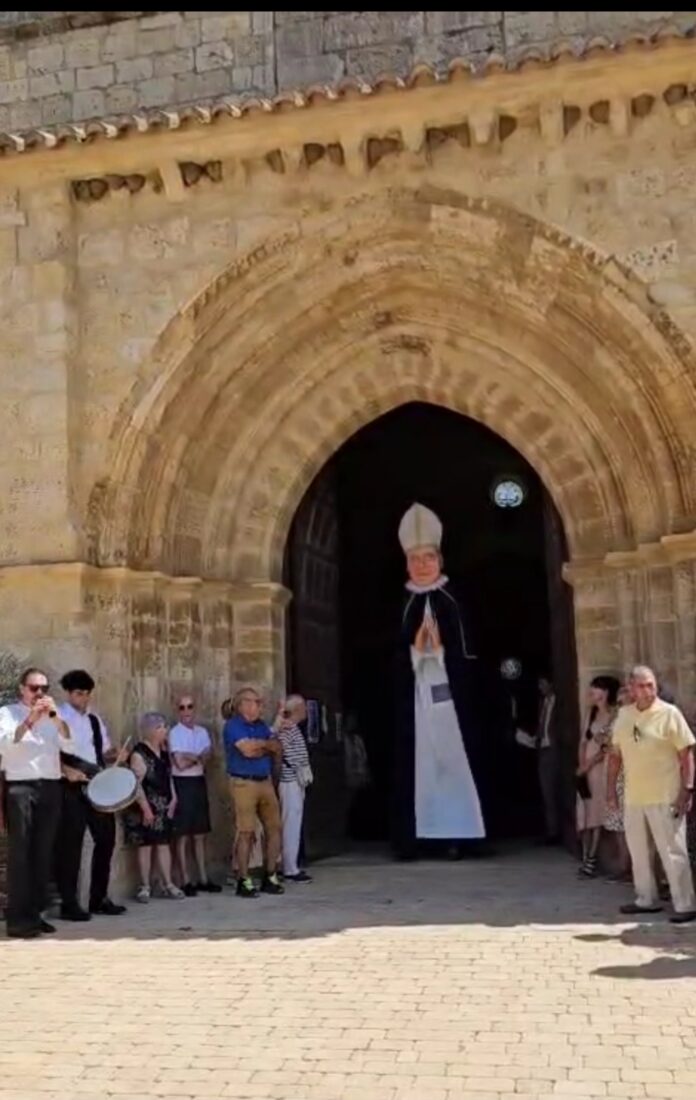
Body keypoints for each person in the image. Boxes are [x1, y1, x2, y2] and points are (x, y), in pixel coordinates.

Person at [393, 502, 485, 859]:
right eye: (415, 559)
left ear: (440, 560)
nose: (421, 565)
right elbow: (393, 660)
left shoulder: (454, 601)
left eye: (428, 557)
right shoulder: (402, 604)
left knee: (456, 772)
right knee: (422, 774)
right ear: (406, 563)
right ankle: (419, 838)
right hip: (417, 705)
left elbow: (470, 657)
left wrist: (442, 651)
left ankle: (459, 837)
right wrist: (416, 651)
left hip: (452, 705)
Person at [607, 664, 696, 923]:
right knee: (639, 852)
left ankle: (685, 904)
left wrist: (687, 789)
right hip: (635, 796)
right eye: (642, 685)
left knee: (672, 851)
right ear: (631, 688)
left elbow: (686, 755)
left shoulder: (670, 714)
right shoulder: (624, 716)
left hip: (665, 794)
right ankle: (646, 899)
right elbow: (615, 757)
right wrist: (611, 791)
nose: (647, 691)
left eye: (651, 685)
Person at [0, 668, 75, 938]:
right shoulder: (7, 713)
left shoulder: (54, 716)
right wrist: (30, 720)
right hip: (21, 786)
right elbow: (7, 745)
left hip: (50, 786)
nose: (39, 694)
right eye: (34, 688)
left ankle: (36, 913)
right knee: (21, 853)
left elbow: (69, 745)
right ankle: (18, 921)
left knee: (43, 853)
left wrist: (55, 719)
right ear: (22, 689)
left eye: (44, 688)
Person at [54, 669, 128, 920]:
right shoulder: (58, 717)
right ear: (68, 693)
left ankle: (99, 898)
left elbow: (104, 752)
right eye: (78, 694)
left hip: (96, 782)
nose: (83, 699)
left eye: (86, 694)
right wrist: (68, 771)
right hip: (70, 785)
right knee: (70, 845)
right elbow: (50, 753)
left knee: (106, 839)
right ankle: (69, 903)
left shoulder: (94, 720)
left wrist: (116, 755)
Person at [223, 687, 284, 898]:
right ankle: (243, 878)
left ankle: (270, 874)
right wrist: (265, 747)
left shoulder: (261, 726)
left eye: (260, 702)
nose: (260, 706)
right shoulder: (233, 726)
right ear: (243, 705)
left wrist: (262, 746)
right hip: (243, 783)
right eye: (256, 702)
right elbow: (246, 751)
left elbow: (277, 747)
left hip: (265, 781)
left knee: (275, 828)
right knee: (246, 831)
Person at [123, 712, 184, 902]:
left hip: (163, 806)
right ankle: (145, 886)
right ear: (151, 730)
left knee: (164, 843)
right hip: (146, 806)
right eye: (161, 727)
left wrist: (173, 798)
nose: (165, 730)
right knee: (146, 845)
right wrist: (145, 808)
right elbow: (136, 783)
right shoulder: (139, 754)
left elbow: (169, 776)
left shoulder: (164, 753)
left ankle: (168, 884)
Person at [169, 694, 220, 896]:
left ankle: (203, 878)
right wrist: (196, 756)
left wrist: (191, 757)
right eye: (182, 707)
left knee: (199, 833)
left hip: (198, 781)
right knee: (182, 834)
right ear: (177, 710)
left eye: (190, 706)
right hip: (182, 784)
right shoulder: (174, 733)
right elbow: (179, 764)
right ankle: (185, 880)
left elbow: (207, 757)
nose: (186, 711)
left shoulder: (202, 731)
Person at [575, 675, 620, 878]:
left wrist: (590, 764)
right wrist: (581, 765)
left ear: (606, 691)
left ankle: (591, 860)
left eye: (596, 688)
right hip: (586, 769)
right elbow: (583, 741)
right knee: (585, 813)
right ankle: (585, 857)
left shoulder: (614, 715)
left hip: (601, 768)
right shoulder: (590, 713)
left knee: (596, 814)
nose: (592, 691)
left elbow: (608, 747)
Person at [275, 695, 313, 884]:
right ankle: (289, 867)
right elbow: (282, 752)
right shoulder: (287, 729)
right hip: (290, 781)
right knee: (290, 823)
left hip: (296, 782)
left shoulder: (294, 728)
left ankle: (290, 864)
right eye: (303, 707)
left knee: (294, 823)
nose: (306, 710)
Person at [536, 675, 560, 845]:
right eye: (539, 684)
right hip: (543, 749)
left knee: (559, 790)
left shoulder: (561, 703)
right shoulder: (542, 703)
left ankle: (560, 831)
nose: (541, 687)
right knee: (547, 792)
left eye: (543, 683)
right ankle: (552, 832)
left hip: (557, 750)